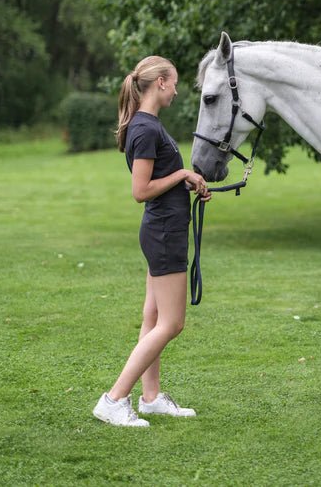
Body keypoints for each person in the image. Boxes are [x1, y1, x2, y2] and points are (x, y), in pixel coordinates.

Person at [93, 56, 211, 427]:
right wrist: (181, 174)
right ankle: (114, 399)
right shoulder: (145, 130)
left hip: (164, 229)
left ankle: (151, 397)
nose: (177, 90)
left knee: (154, 315)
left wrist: (186, 179)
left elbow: (160, 180)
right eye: (174, 82)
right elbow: (140, 190)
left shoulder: (147, 126)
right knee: (172, 323)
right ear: (160, 82)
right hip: (163, 233)